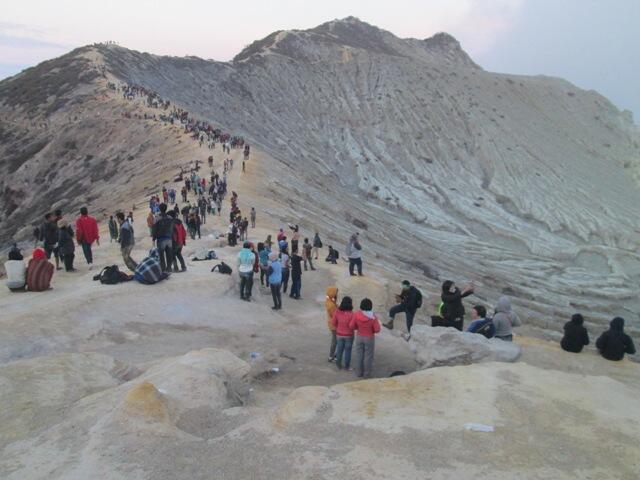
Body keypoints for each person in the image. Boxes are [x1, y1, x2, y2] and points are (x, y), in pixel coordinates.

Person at [350, 298, 381, 378]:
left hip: (359, 336)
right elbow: (377, 329)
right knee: (368, 356)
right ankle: (366, 374)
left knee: (359, 355)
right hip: (369, 337)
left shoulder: (357, 314)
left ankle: (359, 373)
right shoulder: (373, 316)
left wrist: (358, 328)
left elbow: (351, 326)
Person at [332, 296, 355, 370]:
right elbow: (352, 326)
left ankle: (338, 365)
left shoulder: (337, 312)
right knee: (348, 351)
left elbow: (333, 323)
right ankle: (347, 366)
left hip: (339, 334)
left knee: (339, 350)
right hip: (349, 335)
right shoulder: (352, 314)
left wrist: (338, 327)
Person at [152, 203, 175, 273]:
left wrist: (154, 238)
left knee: (161, 255)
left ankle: (163, 269)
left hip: (161, 239)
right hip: (169, 238)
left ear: (159, 209)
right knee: (169, 254)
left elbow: (154, 229)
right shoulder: (170, 218)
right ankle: (169, 268)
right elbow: (172, 228)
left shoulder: (157, 218)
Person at [325, 286, 339, 362]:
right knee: (335, 341)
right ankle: (332, 356)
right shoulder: (331, 305)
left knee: (335, 340)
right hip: (334, 325)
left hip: (331, 324)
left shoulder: (329, 301)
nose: (337, 294)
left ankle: (332, 355)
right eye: (336, 293)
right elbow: (335, 316)